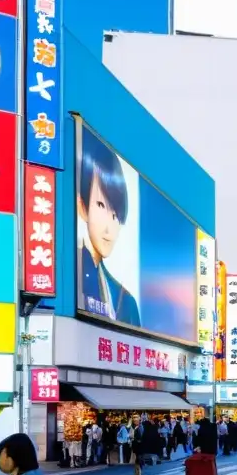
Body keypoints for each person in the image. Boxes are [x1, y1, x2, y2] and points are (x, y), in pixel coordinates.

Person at [77, 127, 140, 326]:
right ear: (82, 206)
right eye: (101, 205)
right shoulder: (66, 276)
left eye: (116, 216)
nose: (109, 228)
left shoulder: (126, 302)